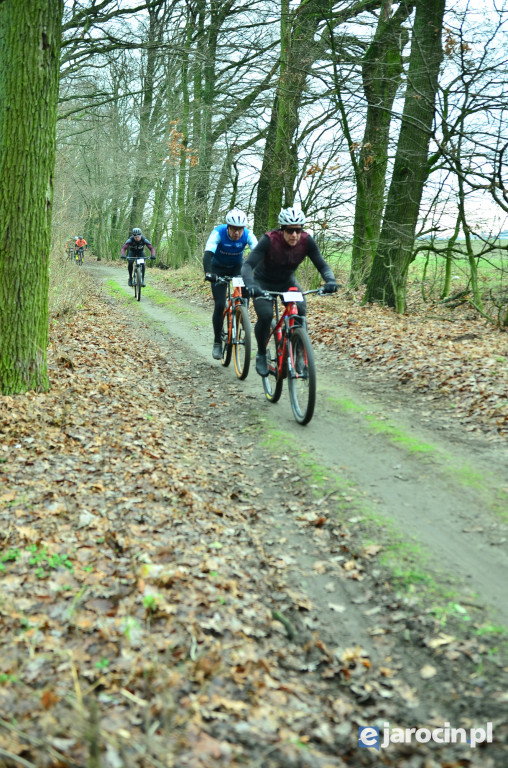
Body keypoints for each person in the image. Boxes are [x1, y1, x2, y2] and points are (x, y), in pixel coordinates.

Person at [241, 207, 338, 376]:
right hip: (263, 282)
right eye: (290, 230)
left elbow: (322, 265)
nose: (294, 235)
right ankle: (262, 354)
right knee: (265, 316)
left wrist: (330, 280)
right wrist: (250, 285)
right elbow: (247, 265)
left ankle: (299, 353)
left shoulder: (307, 241)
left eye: (298, 230)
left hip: (287, 282)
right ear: (282, 230)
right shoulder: (269, 240)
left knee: (300, 311)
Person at [203, 208, 258, 359]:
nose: (237, 233)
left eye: (240, 229)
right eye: (234, 229)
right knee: (220, 304)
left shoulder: (247, 235)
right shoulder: (218, 232)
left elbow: (259, 251)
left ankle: (242, 317)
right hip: (217, 269)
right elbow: (208, 253)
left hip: (237, 267)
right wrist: (208, 273)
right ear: (228, 227)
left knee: (245, 292)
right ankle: (217, 343)